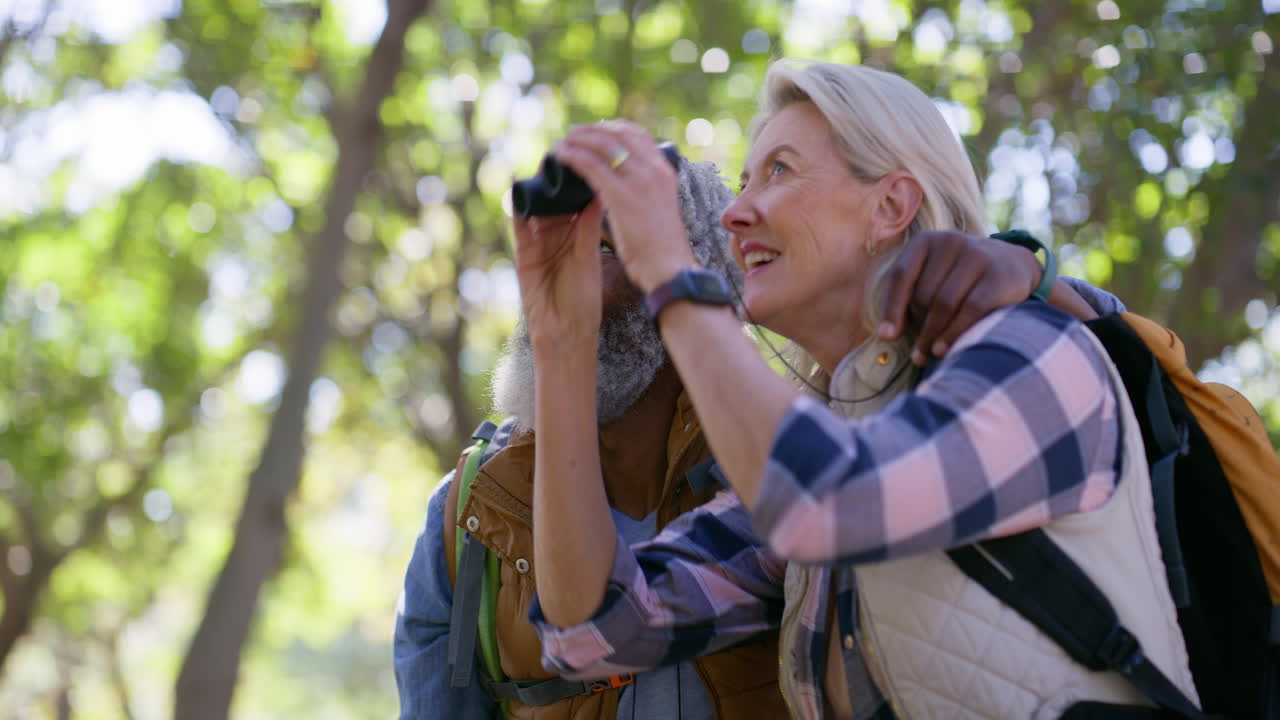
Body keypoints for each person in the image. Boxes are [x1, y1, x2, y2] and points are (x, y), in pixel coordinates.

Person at [520, 60, 1199, 720]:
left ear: (891, 206)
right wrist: (562, 341)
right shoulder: (825, 436)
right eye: (742, 180)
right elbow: (594, 632)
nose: (733, 214)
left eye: (778, 171)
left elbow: (827, 502)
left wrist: (669, 268)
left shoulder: (1030, 352)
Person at [393, 144, 1122, 717]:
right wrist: (560, 343)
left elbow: (1126, 370)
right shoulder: (472, 514)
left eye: (612, 247)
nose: (570, 268)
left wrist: (1037, 270)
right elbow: (595, 631)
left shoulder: (782, 456)